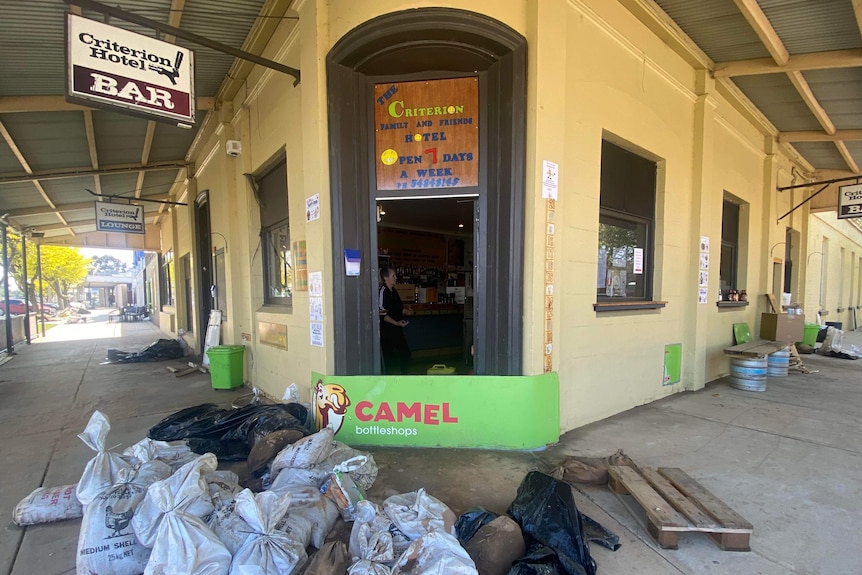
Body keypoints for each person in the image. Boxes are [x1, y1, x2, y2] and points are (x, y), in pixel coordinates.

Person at [378, 266, 411, 374]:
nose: (395, 278)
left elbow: (399, 309)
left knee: (405, 353)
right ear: (385, 278)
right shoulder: (383, 291)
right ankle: (385, 379)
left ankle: (404, 376)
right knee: (388, 356)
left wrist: (406, 312)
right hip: (387, 330)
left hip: (397, 328)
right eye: (393, 276)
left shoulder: (394, 291)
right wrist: (396, 322)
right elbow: (383, 314)